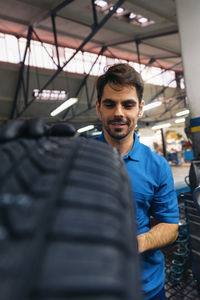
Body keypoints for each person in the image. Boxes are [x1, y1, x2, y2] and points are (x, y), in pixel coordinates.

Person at [95, 63, 179, 300]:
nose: (119, 112)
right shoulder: (78, 159)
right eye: (110, 104)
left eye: (128, 104)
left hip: (147, 289)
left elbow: (170, 226)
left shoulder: (157, 166)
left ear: (140, 109)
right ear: (99, 108)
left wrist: (136, 243)